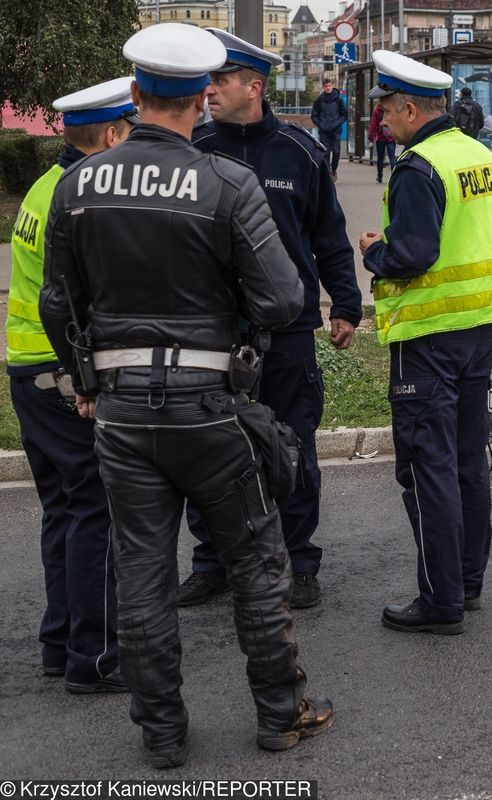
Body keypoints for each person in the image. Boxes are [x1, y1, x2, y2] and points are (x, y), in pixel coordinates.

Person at [40, 23, 332, 769]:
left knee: (141, 571)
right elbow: (282, 300)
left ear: (136, 95)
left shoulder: (78, 185)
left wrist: (86, 380)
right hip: (211, 407)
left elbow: (54, 303)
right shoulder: (227, 184)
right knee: (257, 563)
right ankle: (279, 714)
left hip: (123, 412)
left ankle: (162, 734)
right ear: (202, 98)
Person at [184, 29, 362, 610]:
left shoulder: (301, 152)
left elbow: (329, 238)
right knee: (208, 449)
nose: (208, 90)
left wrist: (346, 306)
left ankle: (298, 561)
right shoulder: (194, 148)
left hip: (284, 332)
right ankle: (211, 560)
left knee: (292, 447)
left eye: (220, 80)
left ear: (253, 87)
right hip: (212, 328)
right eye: (206, 80)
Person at [357, 50, 492, 636]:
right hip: (479, 329)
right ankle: (468, 582)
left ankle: (441, 600)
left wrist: (375, 250)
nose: (381, 120)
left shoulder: (418, 167)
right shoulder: (477, 154)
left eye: (385, 110)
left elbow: (415, 254)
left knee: (429, 469)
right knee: (470, 462)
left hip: (429, 339)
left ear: (407, 108)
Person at [6, 78, 136, 695]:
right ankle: (97, 656)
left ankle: (60, 642)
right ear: (111, 136)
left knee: (62, 509)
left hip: (28, 371)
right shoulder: (81, 196)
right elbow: (82, 297)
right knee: (95, 512)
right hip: (62, 375)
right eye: (129, 134)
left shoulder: (45, 185)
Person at [310, 76, 345, 180]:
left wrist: (337, 123)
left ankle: (334, 169)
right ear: (323, 88)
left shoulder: (338, 99)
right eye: (326, 86)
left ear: (332, 86)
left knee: (336, 151)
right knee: (325, 154)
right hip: (324, 132)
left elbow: (344, 114)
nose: (328, 88)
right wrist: (321, 125)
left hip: (336, 131)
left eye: (329, 85)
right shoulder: (319, 100)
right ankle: (328, 173)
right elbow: (314, 115)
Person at [369, 101, 398, 183]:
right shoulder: (392, 109)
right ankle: (394, 177)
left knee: (380, 158)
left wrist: (371, 139)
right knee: (392, 158)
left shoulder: (377, 111)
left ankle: (379, 175)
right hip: (391, 137)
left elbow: (373, 125)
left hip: (380, 137)